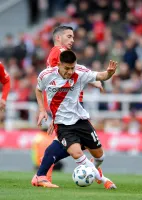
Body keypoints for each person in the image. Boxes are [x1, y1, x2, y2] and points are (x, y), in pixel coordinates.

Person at [31, 26, 104, 187]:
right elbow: (53, 81)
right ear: (58, 38)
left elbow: (72, 73)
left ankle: (43, 174)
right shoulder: (58, 52)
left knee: (64, 144)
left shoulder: (59, 54)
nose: (72, 40)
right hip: (68, 107)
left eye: (73, 37)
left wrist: (93, 80)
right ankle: (43, 176)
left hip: (70, 106)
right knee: (70, 144)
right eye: (69, 36)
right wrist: (52, 111)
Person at [34, 50, 117, 189]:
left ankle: (92, 167)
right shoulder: (46, 75)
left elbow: (100, 75)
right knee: (77, 154)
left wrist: (109, 73)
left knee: (100, 156)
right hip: (62, 125)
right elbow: (38, 89)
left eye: (72, 68)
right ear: (59, 64)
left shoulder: (80, 72)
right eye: (66, 68)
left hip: (81, 120)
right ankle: (104, 180)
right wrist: (42, 110)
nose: (69, 72)